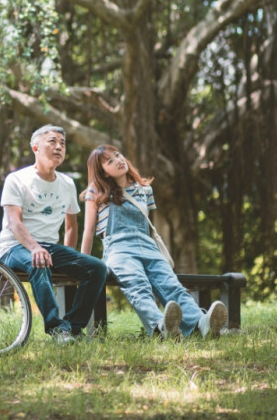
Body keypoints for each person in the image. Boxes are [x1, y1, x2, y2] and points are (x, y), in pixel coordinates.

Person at [80, 144, 227, 340]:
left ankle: (201, 325)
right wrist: (83, 263)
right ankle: (160, 328)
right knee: (138, 286)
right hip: (119, 251)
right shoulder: (96, 192)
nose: (118, 160)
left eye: (118, 155)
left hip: (148, 247)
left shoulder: (144, 189)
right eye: (110, 161)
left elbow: (147, 226)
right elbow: (88, 231)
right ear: (103, 173)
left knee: (172, 286)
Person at [0, 125, 108, 344]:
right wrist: (35, 248)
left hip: (50, 248)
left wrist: (70, 256)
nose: (59, 146)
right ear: (35, 147)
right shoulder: (17, 179)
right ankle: (56, 329)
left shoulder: (67, 183)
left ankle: (73, 329)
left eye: (63, 143)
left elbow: (71, 225)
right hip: (15, 248)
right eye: (53, 141)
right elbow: (13, 222)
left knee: (97, 268)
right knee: (39, 261)